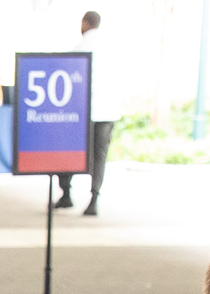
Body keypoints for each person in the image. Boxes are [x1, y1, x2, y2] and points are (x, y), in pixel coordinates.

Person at [54, 12, 118, 217]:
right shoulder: (112, 48)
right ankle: (94, 199)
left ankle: (66, 194)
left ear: (84, 23)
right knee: (99, 156)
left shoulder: (80, 47)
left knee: (68, 152)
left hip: (82, 112)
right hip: (108, 111)